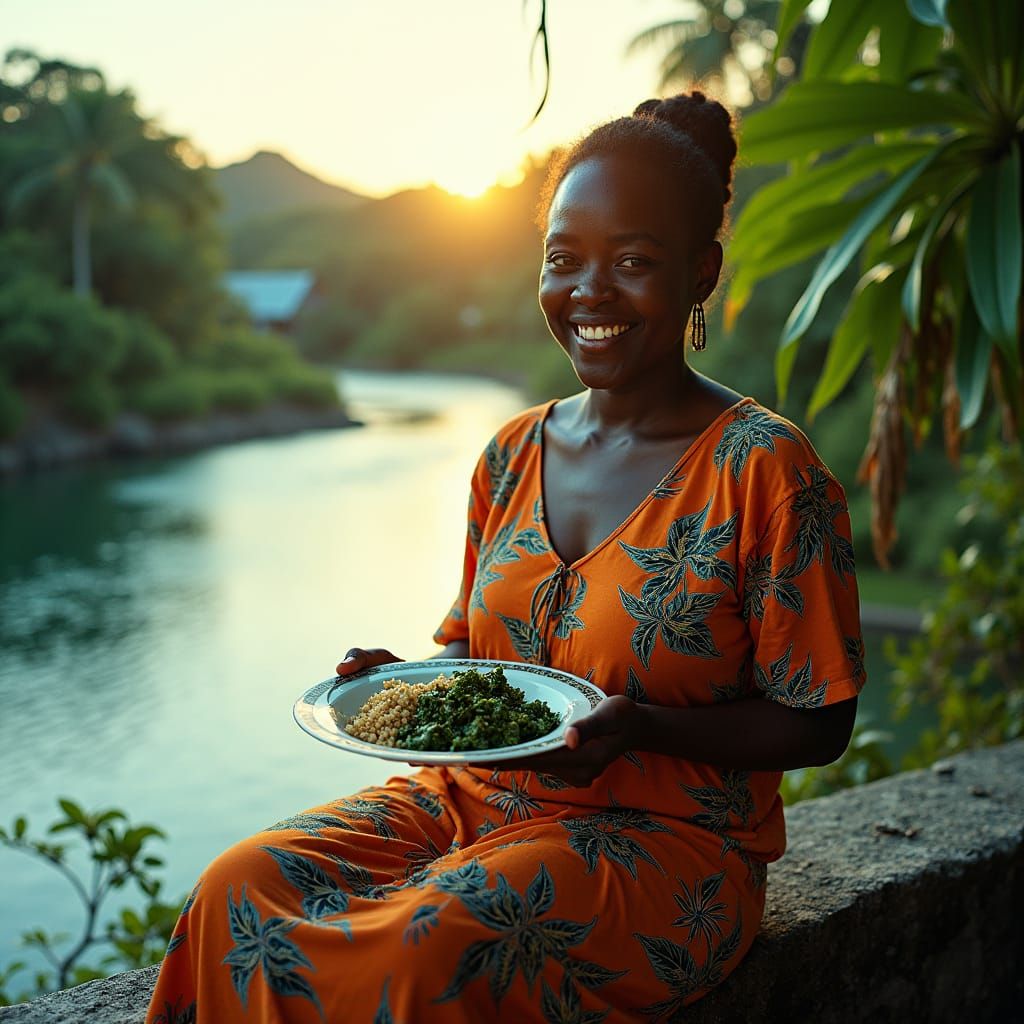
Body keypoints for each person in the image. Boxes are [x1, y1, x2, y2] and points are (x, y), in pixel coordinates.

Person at [147, 91, 864, 1024]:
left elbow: (819, 722)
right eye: (563, 260)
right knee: (236, 889)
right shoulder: (511, 454)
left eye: (634, 262)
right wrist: (407, 686)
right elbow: (477, 661)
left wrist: (642, 728)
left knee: (425, 948)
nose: (589, 292)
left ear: (701, 273)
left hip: (667, 844)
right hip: (470, 803)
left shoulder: (766, 469)